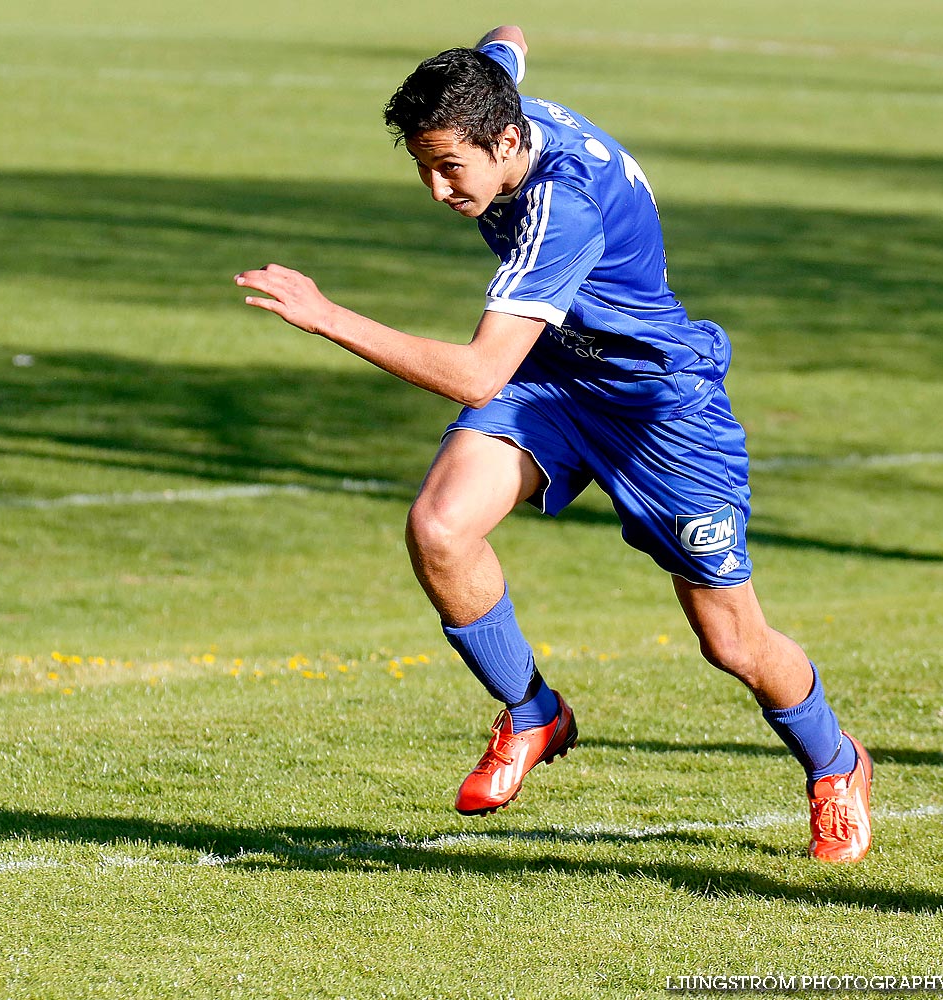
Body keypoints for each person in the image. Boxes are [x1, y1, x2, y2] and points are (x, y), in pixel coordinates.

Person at [234, 26, 871, 862]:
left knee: (732, 644)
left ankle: (836, 765)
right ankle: (533, 713)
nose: (434, 189)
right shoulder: (493, 100)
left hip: (657, 408)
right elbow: (505, 40)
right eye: (421, 165)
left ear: (505, 143)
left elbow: (472, 374)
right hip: (553, 377)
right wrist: (491, 47)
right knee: (440, 528)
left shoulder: (558, 210)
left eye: (448, 168)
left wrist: (325, 315)